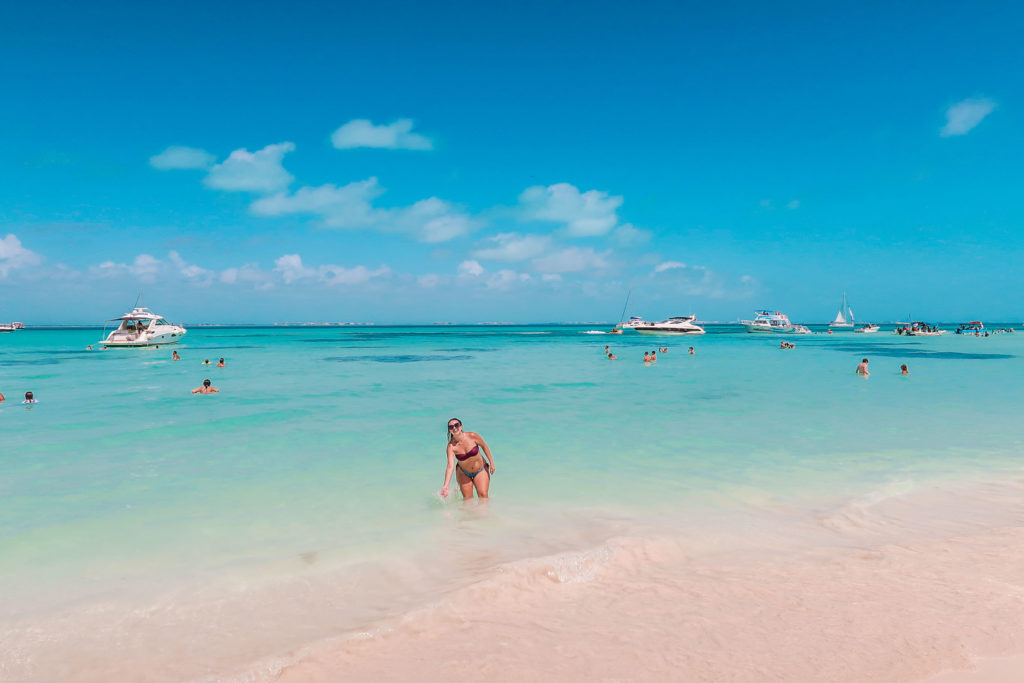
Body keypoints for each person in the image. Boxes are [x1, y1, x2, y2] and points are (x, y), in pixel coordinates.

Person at [440, 418, 495, 500]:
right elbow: (450, 466)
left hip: (480, 469)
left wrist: (492, 463)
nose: (454, 428)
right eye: (451, 427)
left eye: (456, 425)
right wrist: (445, 485)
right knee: (468, 499)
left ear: (461, 426)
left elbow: (484, 446)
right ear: (449, 430)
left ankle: (484, 513)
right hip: (463, 472)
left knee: (483, 496)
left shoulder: (472, 436)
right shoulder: (451, 446)